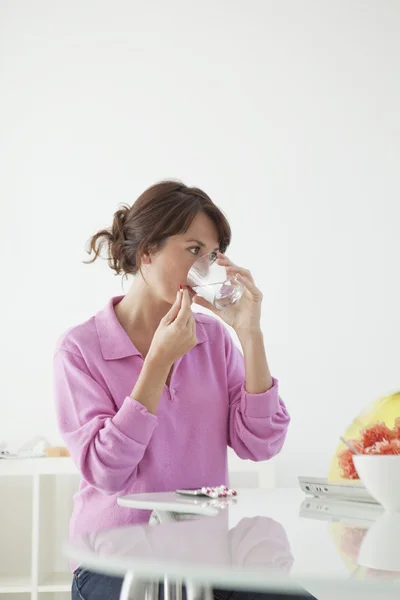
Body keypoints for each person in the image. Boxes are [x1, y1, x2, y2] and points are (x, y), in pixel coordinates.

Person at [54, 181, 294, 600]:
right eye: (193, 250)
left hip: (207, 560)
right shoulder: (80, 349)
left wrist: (249, 335)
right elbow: (106, 471)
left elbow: (262, 444)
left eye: (213, 255)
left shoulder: (214, 339)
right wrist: (157, 363)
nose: (206, 268)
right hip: (113, 562)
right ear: (147, 251)